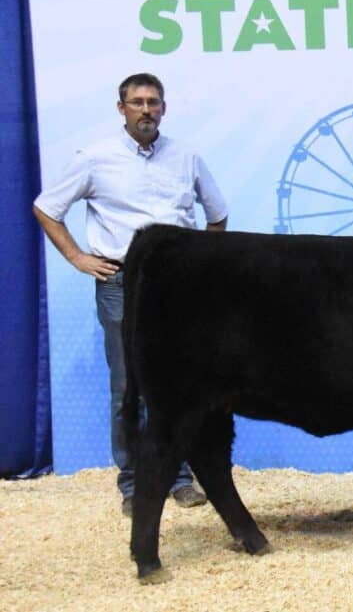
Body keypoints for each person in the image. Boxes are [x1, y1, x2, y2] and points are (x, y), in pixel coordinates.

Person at [33, 73, 228, 516]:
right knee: (129, 385)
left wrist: (202, 262)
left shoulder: (186, 156)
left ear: (164, 108)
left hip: (179, 287)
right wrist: (79, 258)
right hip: (123, 282)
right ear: (121, 108)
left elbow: (217, 215)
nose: (146, 110)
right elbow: (47, 208)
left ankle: (180, 478)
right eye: (137, 102)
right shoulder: (94, 158)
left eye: (153, 102)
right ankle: (133, 482)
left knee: (185, 384)